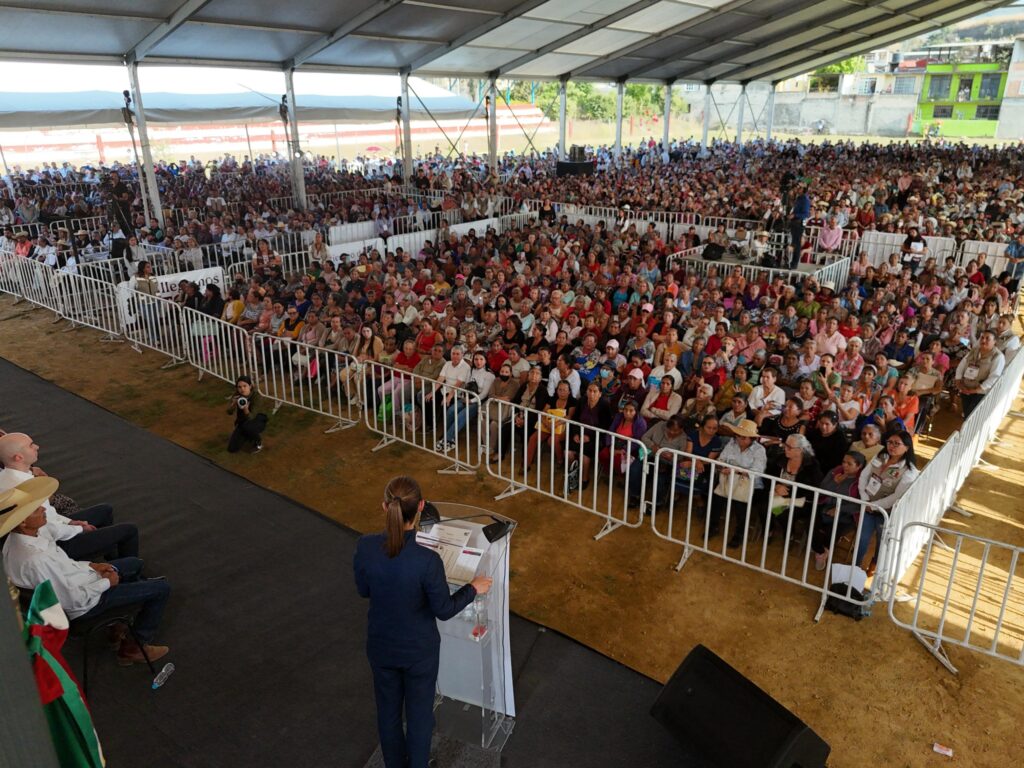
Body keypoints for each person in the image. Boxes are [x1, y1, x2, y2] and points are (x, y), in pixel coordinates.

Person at [353, 476, 492, 768]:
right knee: (418, 719)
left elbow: (364, 590)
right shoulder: (427, 561)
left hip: (381, 648)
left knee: (388, 716)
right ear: (421, 507)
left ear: (384, 507)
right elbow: (443, 609)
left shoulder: (365, 547)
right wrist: (473, 588)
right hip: (419, 653)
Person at [2, 477, 171, 665]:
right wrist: (107, 582)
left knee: (134, 564)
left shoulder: (22, 538)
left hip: (83, 580)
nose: (43, 508)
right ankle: (133, 648)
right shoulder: (35, 559)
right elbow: (71, 600)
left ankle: (119, 624)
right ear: (23, 523)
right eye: (35, 509)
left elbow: (63, 566)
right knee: (161, 588)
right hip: (86, 604)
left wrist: (92, 566)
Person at [0, 432, 139, 562]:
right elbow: (45, 527)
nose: (37, 446)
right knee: (129, 530)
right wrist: (79, 529)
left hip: (53, 529)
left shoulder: (11, 477)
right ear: (18, 457)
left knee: (105, 510)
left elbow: (48, 514)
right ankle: (130, 574)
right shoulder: (23, 488)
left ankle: (112, 557)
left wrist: (70, 522)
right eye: (31, 445)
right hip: (54, 544)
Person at [856, 431, 919, 574]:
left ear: (907, 447)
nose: (892, 446)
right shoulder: (880, 456)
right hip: (867, 506)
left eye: (897, 444)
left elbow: (896, 497)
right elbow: (864, 476)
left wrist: (874, 506)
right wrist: (864, 499)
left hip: (886, 513)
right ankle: (855, 566)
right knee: (862, 539)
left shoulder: (909, 472)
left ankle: (874, 566)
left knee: (882, 543)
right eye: (890, 442)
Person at [706, 419, 767, 544]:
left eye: (744, 438)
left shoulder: (759, 450)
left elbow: (758, 471)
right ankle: (713, 526)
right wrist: (722, 467)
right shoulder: (731, 443)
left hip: (749, 484)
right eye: (738, 436)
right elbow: (722, 459)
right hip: (728, 479)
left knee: (740, 505)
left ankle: (739, 534)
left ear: (752, 439)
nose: (740, 440)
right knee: (716, 499)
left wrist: (735, 471)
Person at [810, 451, 868, 571]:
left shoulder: (862, 481)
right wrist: (834, 483)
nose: (844, 465)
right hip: (825, 508)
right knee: (810, 525)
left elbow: (860, 505)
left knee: (831, 531)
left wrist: (839, 509)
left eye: (849, 464)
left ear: (859, 466)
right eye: (843, 462)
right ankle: (821, 551)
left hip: (847, 515)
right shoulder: (835, 471)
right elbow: (821, 489)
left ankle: (822, 551)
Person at [954, 330, 1005, 419]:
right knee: (967, 413)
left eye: (987, 339)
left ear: (994, 342)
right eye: (982, 338)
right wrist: (958, 382)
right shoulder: (974, 351)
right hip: (966, 388)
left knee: (972, 416)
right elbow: (962, 365)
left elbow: (994, 377)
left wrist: (976, 390)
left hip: (981, 393)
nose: (983, 341)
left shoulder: (998, 357)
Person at [227, 375, 267, 453]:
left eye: (245, 386)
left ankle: (258, 442)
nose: (242, 389)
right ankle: (247, 436)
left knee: (247, 427)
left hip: (258, 419)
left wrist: (246, 409)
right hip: (243, 421)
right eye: (239, 387)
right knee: (232, 449)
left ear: (250, 386)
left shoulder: (256, 396)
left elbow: (252, 417)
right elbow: (229, 412)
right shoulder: (236, 395)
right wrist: (233, 405)